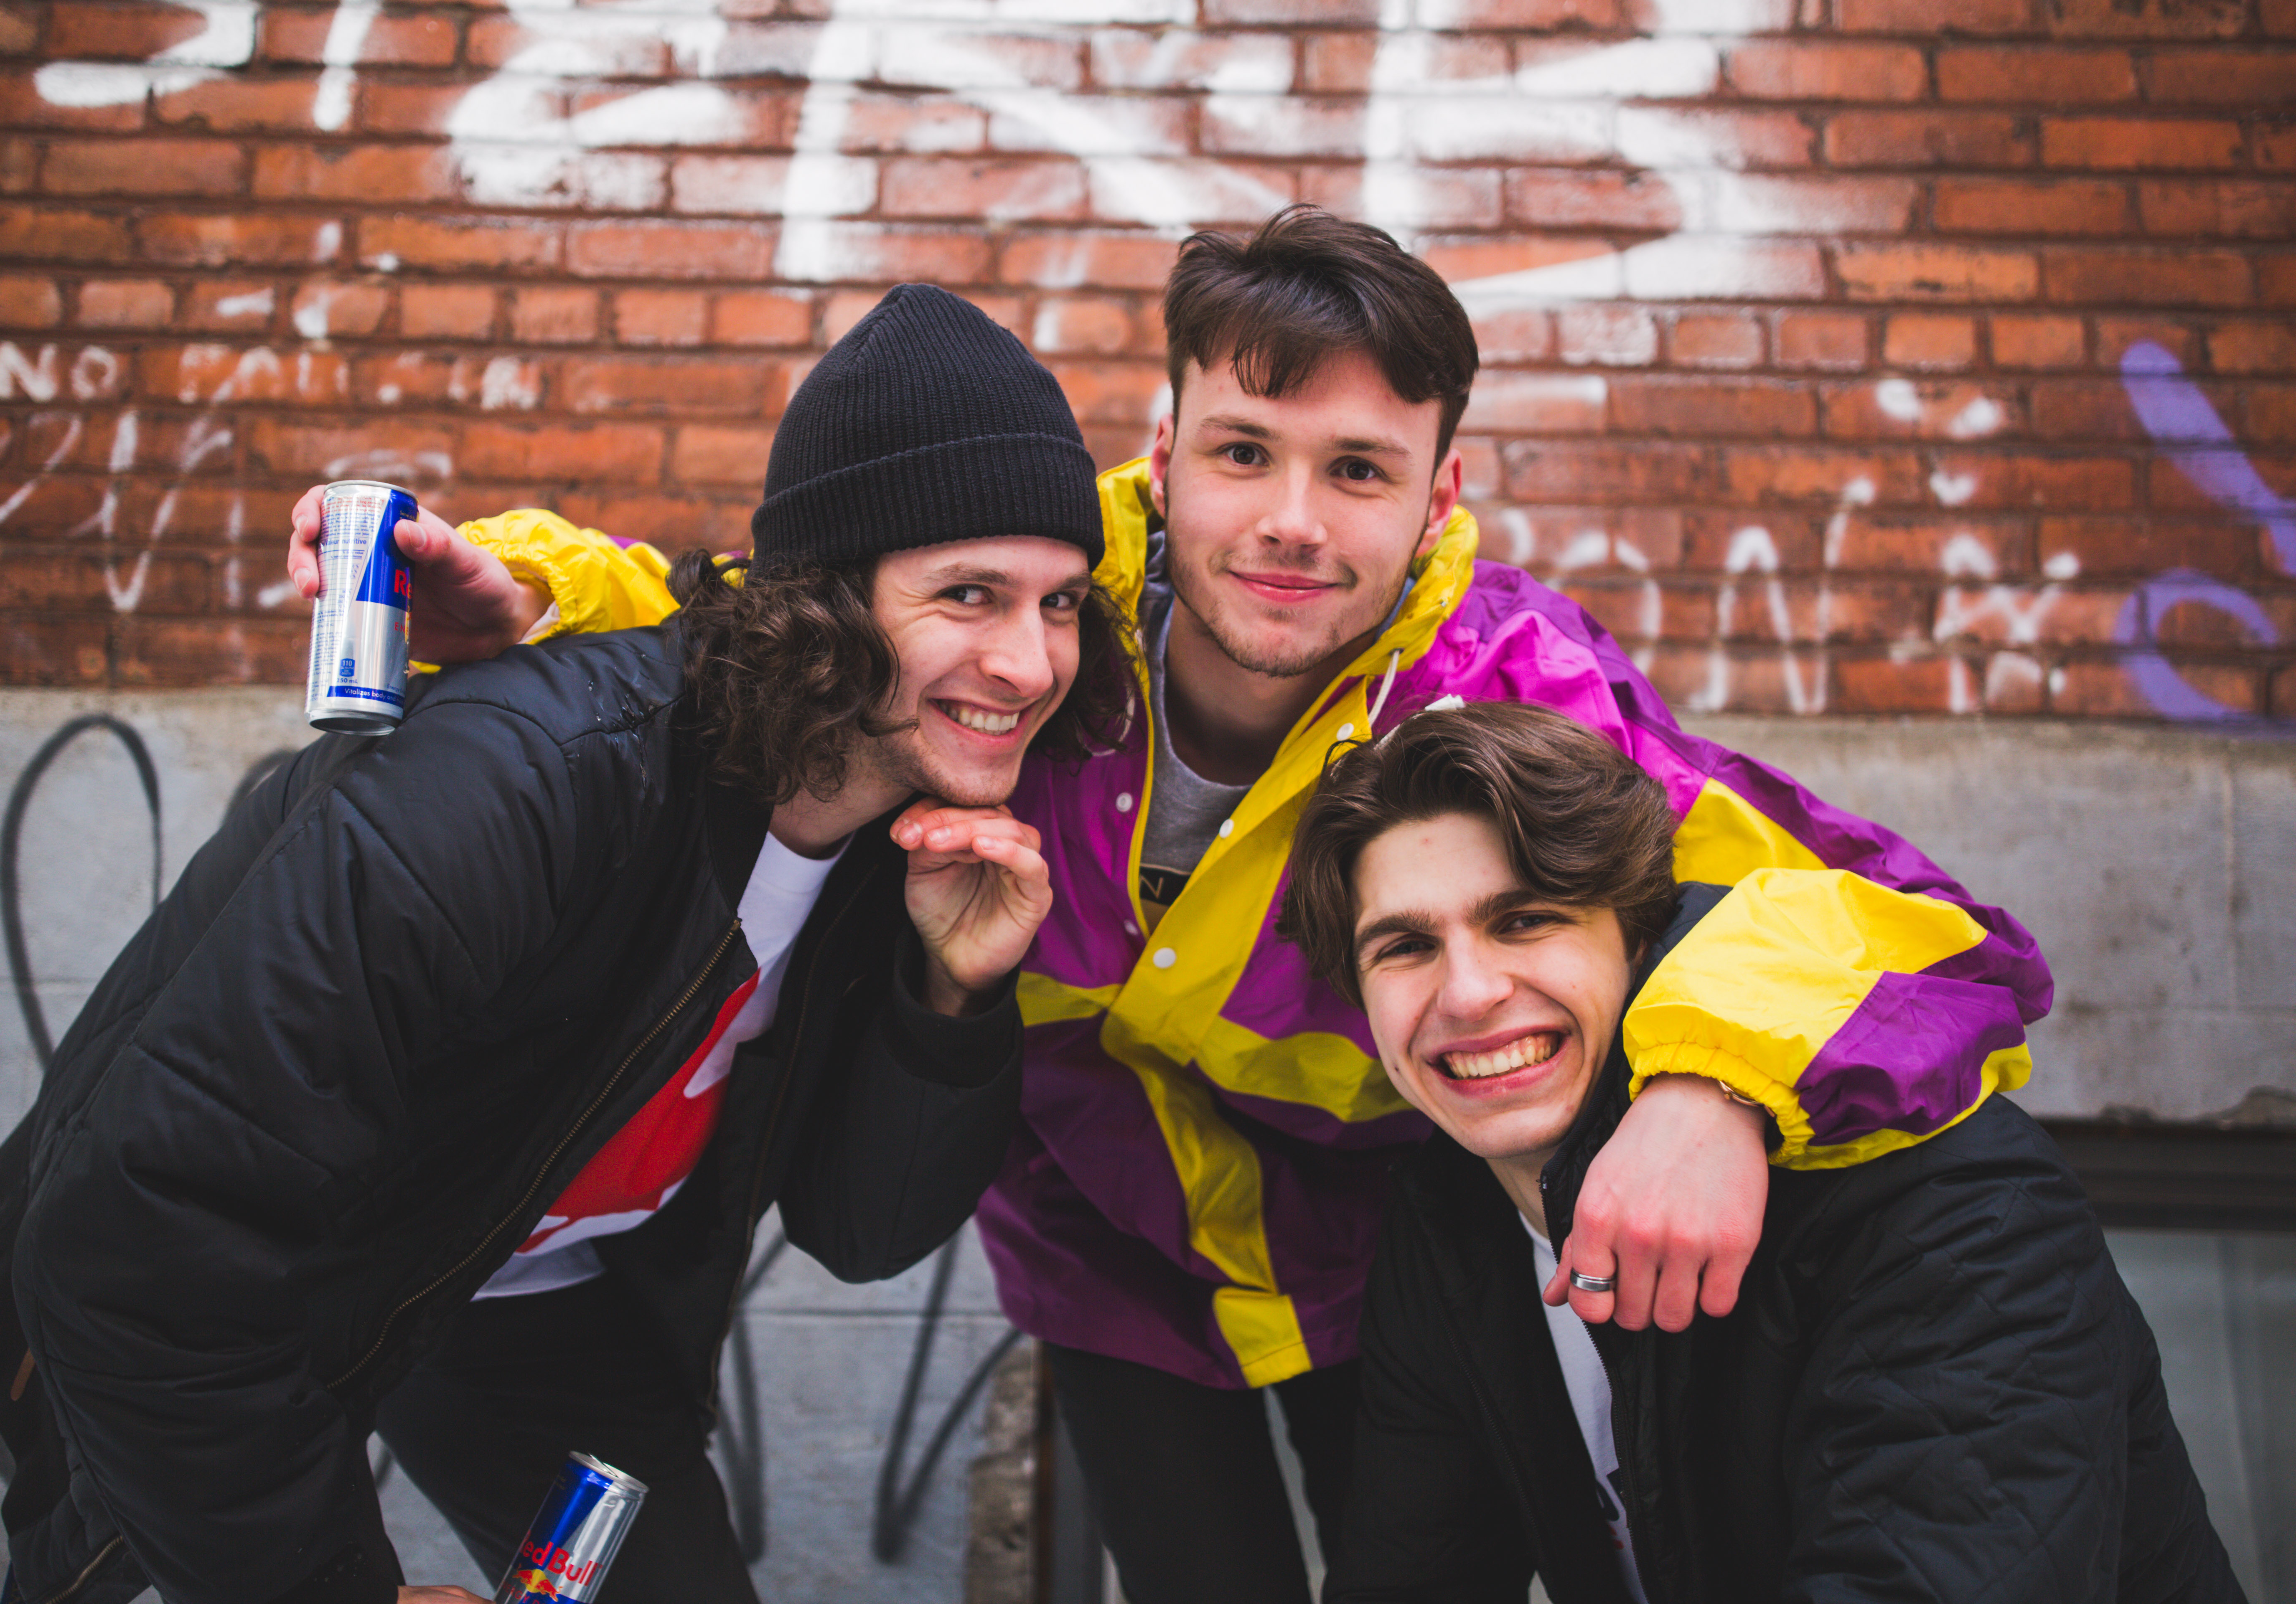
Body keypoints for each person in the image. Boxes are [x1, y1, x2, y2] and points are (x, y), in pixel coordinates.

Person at [289, 208, 2054, 1602]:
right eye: (1244, 452)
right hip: (1104, 1253)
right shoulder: (1038, 598)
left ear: (1442, 491)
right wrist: (536, 588)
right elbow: (779, 609)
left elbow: (1900, 925)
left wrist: (1708, 1085)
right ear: (1163, 445)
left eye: (1357, 471)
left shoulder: (1513, 696)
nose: (1289, 523)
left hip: (1386, 1262)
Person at [0, 285, 1127, 1604]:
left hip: (544, 1306)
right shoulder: (523, 780)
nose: (1030, 664)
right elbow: (140, 1239)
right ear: (828, 602)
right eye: (969, 594)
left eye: (1061, 603)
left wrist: (952, 995)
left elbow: (862, 1233)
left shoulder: (901, 842)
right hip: (260, 1295)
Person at [1279, 699, 2240, 1604]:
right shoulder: (1447, 1222)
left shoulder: (1951, 1203)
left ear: (1637, 939)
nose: (1467, 993)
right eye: (1404, 947)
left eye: (1525, 920)